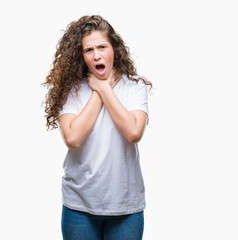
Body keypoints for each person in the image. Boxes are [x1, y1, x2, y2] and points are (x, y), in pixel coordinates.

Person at [43, 15, 152, 240]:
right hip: (79, 207)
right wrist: (98, 90)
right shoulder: (71, 90)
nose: (97, 55)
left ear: (114, 48)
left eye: (102, 47)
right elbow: (72, 138)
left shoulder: (135, 87)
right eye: (88, 50)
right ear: (81, 56)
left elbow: (134, 132)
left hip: (126, 207)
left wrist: (105, 89)